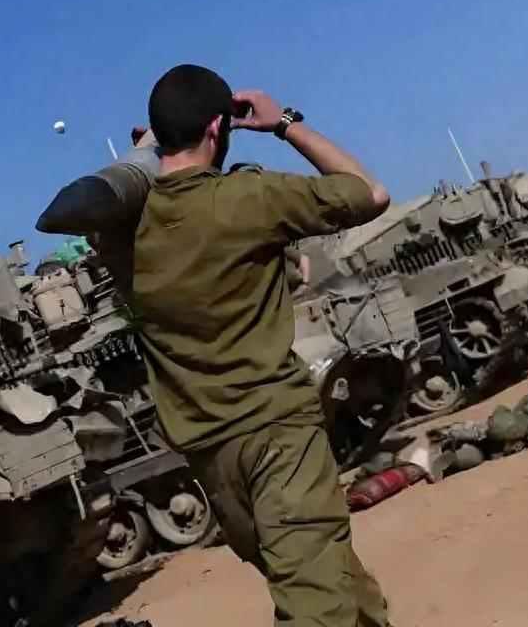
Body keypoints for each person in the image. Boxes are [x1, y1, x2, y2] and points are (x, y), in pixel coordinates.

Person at [127, 64, 392, 627]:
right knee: (316, 605)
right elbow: (371, 193)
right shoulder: (249, 197)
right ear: (217, 128)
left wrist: (149, 148)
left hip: (211, 458)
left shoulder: (125, 228)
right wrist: (284, 122)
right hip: (277, 436)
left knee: (337, 584)